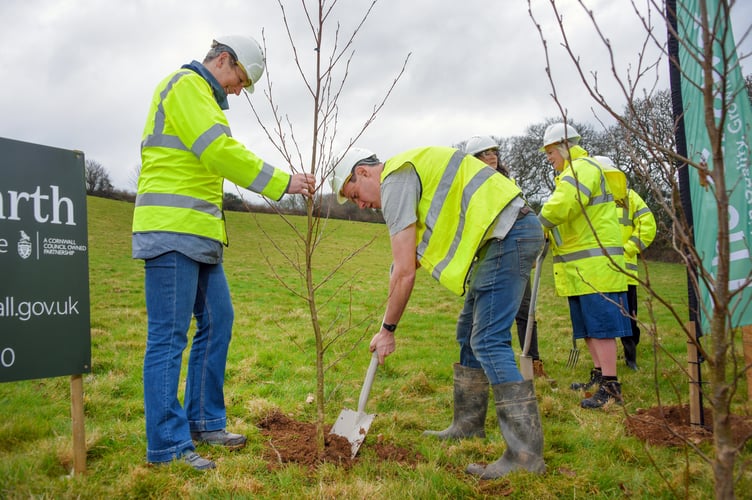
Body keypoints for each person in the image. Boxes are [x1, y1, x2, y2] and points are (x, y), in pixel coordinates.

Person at [132, 35, 315, 470]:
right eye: (240, 79)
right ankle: (168, 446)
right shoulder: (185, 86)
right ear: (223, 59)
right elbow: (218, 152)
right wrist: (281, 183)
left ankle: (204, 420)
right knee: (168, 338)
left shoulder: (207, 99)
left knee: (219, 319)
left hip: (200, 236)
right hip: (171, 231)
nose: (239, 90)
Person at [328, 145, 546, 479]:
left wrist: (388, 330)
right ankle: (467, 425)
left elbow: (405, 272)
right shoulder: (410, 173)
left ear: (364, 172)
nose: (361, 204)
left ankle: (525, 455)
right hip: (504, 235)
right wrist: (390, 301)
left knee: (488, 340)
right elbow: (403, 263)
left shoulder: (395, 178)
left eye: (355, 194)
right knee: (468, 331)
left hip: (509, 234)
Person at [538, 123, 631, 409]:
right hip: (580, 269)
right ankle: (599, 374)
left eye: (550, 151)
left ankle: (611, 387)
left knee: (601, 328)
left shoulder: (581, 169)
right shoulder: (569, 173)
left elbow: (563, 206)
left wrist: (536, 222)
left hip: (595, 268)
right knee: (589, 329)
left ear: (564, 146)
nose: (548, 157)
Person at [464, 135, 550, 380]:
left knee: (524, 310)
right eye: (484, 153)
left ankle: (532, 362)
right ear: (473, 161)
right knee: (480, 317)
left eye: (493, 151)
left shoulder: (507, 182)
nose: (491, 156)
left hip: (513, 249)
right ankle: (480, 367)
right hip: (489, 254)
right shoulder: (471, 185)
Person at [593, 156, 656, 371]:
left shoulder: (630, 198)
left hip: (625, 272)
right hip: (598, 272)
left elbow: (648, 226)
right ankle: (605, 363)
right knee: (603, 319)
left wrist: (628, 248)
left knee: (629, 319)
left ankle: (631, 359)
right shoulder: (591, 197)